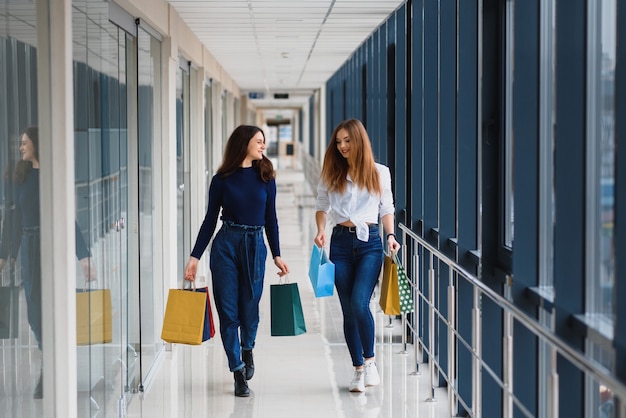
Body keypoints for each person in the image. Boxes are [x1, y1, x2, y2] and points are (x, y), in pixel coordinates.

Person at [184, 124, 289, 397]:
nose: (263, 146)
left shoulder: (266, 177)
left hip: (255, 245)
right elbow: (209, 220)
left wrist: (277, 254)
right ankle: (237, 371)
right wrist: (195, 256)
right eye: (259, 141)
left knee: (249, 307)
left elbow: (271, 220)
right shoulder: (222, 180)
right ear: (244, 144)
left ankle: (248, 347)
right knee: (228, 311)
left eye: (264, 142)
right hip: (226, 246)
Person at [0, 126, 96, 399]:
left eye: (24, 143)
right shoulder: (21, 176)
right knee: (33, 310)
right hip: (30, 248)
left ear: (37, 145)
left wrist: (84, 256)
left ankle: (50, 368)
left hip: (52, 247)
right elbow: (13, 219)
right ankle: (50, 357)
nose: (20, 148)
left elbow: (68, 218)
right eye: (20, 143)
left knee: (54, 306)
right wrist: (5, 255)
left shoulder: (54, 177)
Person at [314, 118, 400, 393]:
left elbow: (387, 207)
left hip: (370, 244)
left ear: (359, 140)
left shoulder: (379, 172)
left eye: (347, 141)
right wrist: (320, 230)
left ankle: (370, 361)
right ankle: (357, 370)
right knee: (347, 310)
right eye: (338, 142)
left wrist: (391, 236)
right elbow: (321, 205)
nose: (342, 146)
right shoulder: (331, 172)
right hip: (339, 243)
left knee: (360, 303)